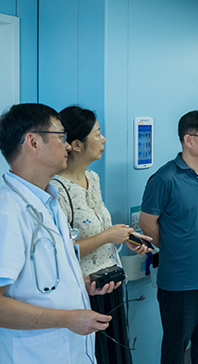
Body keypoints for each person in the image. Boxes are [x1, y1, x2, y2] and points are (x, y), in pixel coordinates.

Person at [0, 103, 119, 363]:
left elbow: (40, 279)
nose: (67, 146)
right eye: (60, 137)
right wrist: (67, 319)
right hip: (36, 355)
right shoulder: (7, 211)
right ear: (33, 142)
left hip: (71, 351)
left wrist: (78, 284)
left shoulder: (48, 201)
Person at [51, 106, 151, 364]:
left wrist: (126, 237)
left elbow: (98, 227)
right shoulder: (56, 190)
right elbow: (61, 251)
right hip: (84, 290)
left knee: (116, 353)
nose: (104, 139)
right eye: (97, 134)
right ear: (76, 144)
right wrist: (107, 236)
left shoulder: (92, 178)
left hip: (111, 282)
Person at [140, 111, 198, 364]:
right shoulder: (164, 178)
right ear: (188, 140)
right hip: (179, 282)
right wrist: (175, 246)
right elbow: (147, 223)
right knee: (175, 350)